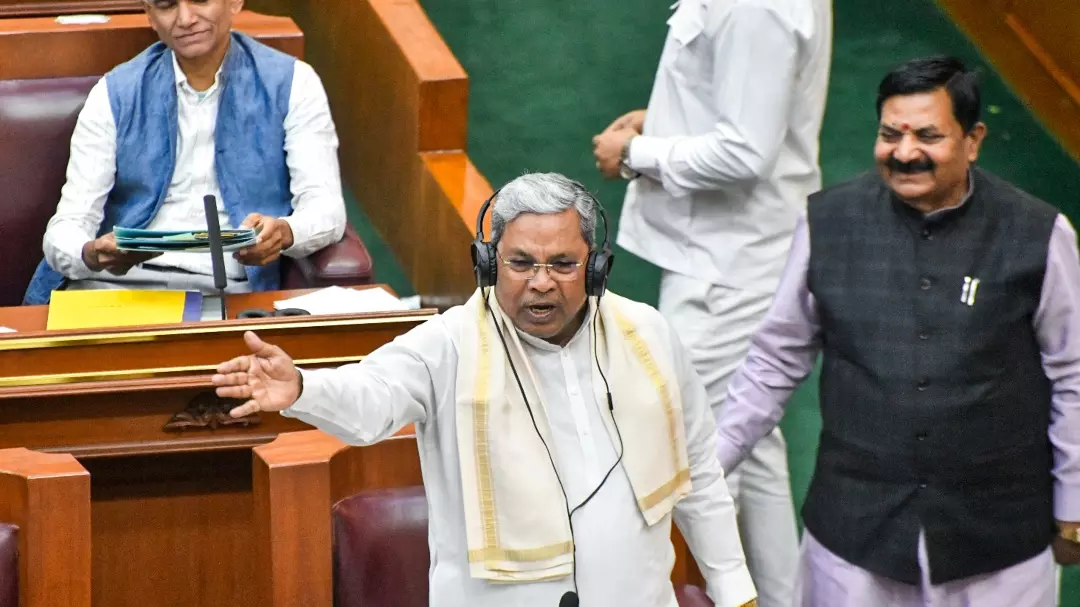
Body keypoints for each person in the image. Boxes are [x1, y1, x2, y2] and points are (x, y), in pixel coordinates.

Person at [212, 173, 758, 607]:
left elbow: (701, 473)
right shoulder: (448, 345)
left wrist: (734, 591)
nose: (540, 281)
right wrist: (303, 387)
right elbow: (370, 397)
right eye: (520, 262)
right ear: (490, 263)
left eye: (563, 264)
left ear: (595, 267)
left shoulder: (650, 336)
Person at [716, 55, 1080, 606]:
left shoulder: (1039, 234)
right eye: (891, 134)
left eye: (928, 136)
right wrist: (711, 462)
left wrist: (1073, 504)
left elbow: (1072, 370)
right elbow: (775, 358)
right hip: (854, 533)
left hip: (999, 539)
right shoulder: (827, 223)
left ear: (973, 139)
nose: (905, 153)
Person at [591, 1, 832, 604]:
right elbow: (746, 100)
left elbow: (747, 153)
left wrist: (635, 154)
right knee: (753, 441)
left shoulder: (759, 7)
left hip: (732, 264)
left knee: (688, 447)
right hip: (723, 253)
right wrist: (670, 117)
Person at [23, 0, 346, 305]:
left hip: (227, 292)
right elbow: (67, 226)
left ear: (234, 2)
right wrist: (90, 252)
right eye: (167, 5)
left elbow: (326, 208)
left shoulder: (293, 84)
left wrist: (286, 232)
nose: (186, 18)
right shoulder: (114, 92)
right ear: (150, 14)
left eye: (201, 1)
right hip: (115, 288)